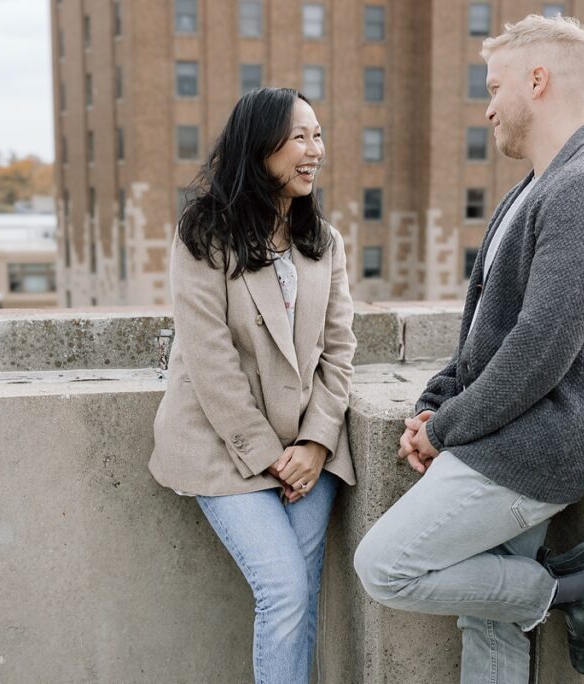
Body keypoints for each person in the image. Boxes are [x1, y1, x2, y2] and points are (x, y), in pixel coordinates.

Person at [353, 14, 584, 682]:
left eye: (494, 87)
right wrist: (435, 405)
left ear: (538, 82)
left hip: (536, 447)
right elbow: (486, 338)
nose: (488, 107)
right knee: (486, 621)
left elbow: (538, 352)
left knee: (385, 567)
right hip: (505, 435)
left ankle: (568, 587)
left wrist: (445, 432)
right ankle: (543, 589)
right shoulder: (539, 188)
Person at [149, 87, 356, 684]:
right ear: (259, 146)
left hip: (308, 451)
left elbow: (340, 350)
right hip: (224, 446)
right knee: (285, 588)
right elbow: (209, 359)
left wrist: (315, 444)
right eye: (299, 137)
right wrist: (271, 457)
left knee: (302, 594)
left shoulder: (325, 243)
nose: (314, 150)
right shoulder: (203, 235)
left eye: (318, 135)